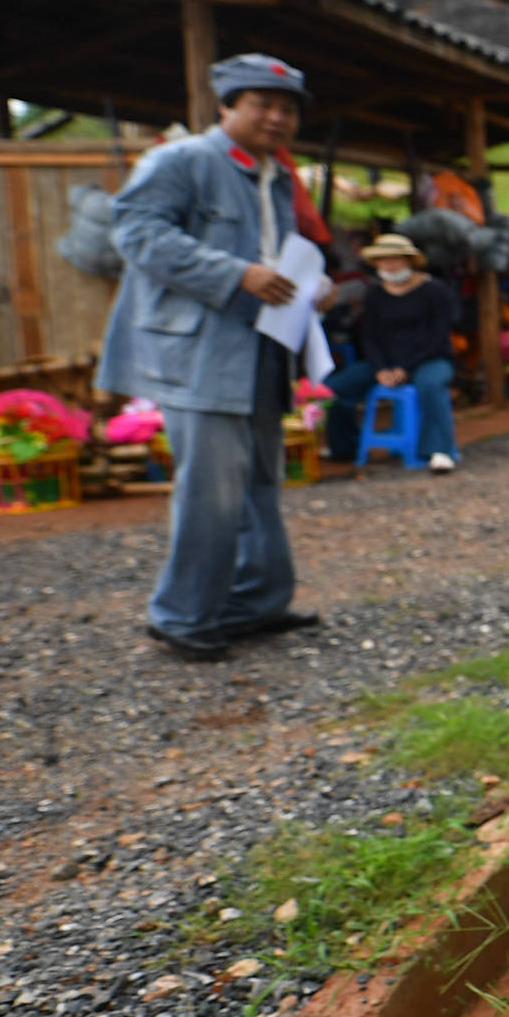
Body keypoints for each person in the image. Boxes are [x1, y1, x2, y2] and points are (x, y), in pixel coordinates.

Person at [99, 53, 327, 663]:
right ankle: (181, 616)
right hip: (199, 353)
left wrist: (310, 286)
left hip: (262, 348)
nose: (277, 118)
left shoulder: (276, 177)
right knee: (212, 490)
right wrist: (235, 273)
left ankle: (256, 603)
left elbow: (276, 257)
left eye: (288, 109)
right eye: (263, 105)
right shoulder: (183, 160)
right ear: (226, 106)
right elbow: (136, 233)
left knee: (260, 481)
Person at [323, 233, 461, 473]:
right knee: (334, 389)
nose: (389, 265)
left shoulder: (435, 291)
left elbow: (438, 337)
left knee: (430, 385)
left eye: (395, 259)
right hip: (385, 362)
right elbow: (369, 337)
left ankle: (439, 451)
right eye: (383, 260)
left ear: (409, 261)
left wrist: (406, 368)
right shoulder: (375, 294)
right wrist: (380, 369)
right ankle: (345, 447)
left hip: (430, 359)